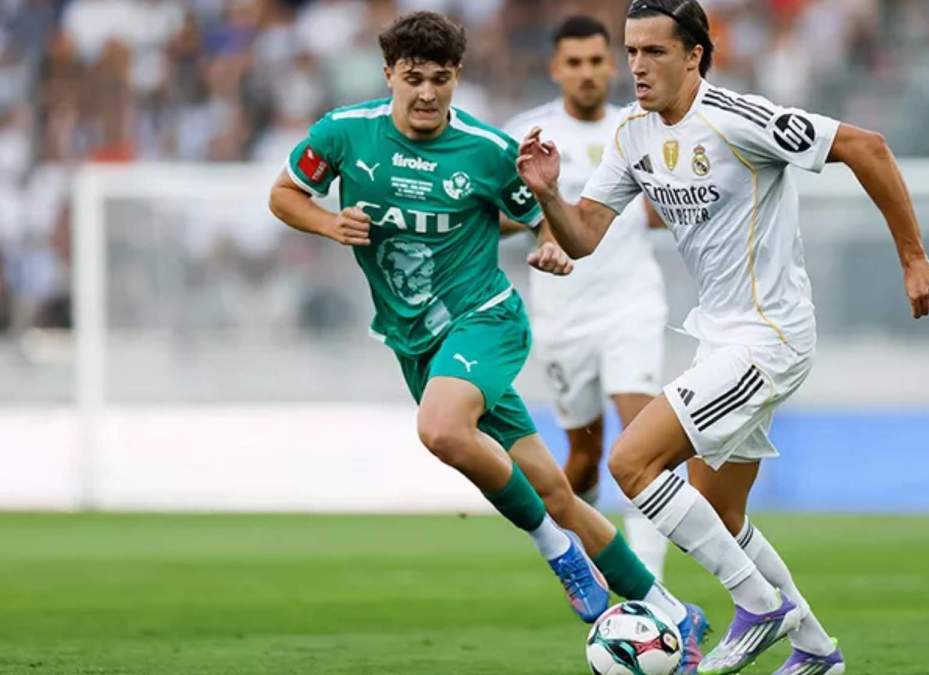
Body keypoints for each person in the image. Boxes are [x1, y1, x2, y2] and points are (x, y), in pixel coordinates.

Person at [266, 11, 708, 671]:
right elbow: (283, 194)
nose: (426, 94)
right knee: (555, 487)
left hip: (486, 320)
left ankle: (556, 551)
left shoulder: (486, 149)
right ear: (388, 74)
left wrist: (554, 249)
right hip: (414, 341)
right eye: (412, 78)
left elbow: (544, 221)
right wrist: (329, 223)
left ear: (456, 78)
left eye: (439, 80)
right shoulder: (343, 133)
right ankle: (675, 611)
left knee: (442, 429)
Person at [515, 1, 929, 673]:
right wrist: (548, 196)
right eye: (631, 51)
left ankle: (758, 605)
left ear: (694, 55)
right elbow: (585, 235)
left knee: (631, 463)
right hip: (719, 339)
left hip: (769, 337)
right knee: (721, 511)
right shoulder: (633, 133)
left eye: (653, 52)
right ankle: (816, 650)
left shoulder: (740, 119)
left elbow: (868, 147)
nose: (636, 66)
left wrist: (913, 257)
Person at [502, 14, 671, 581]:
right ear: (556, 70)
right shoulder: (524, 134)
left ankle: (646, 585)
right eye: (574, 63)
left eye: (598, 61)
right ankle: (581, 557)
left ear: (612, 65)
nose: (588, 73)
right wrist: (543, 230)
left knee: (640, 437)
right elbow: (497, 215)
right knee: (582, 454)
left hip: (632, 303)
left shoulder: (639, 126)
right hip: (562, 316)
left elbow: (670, 204)